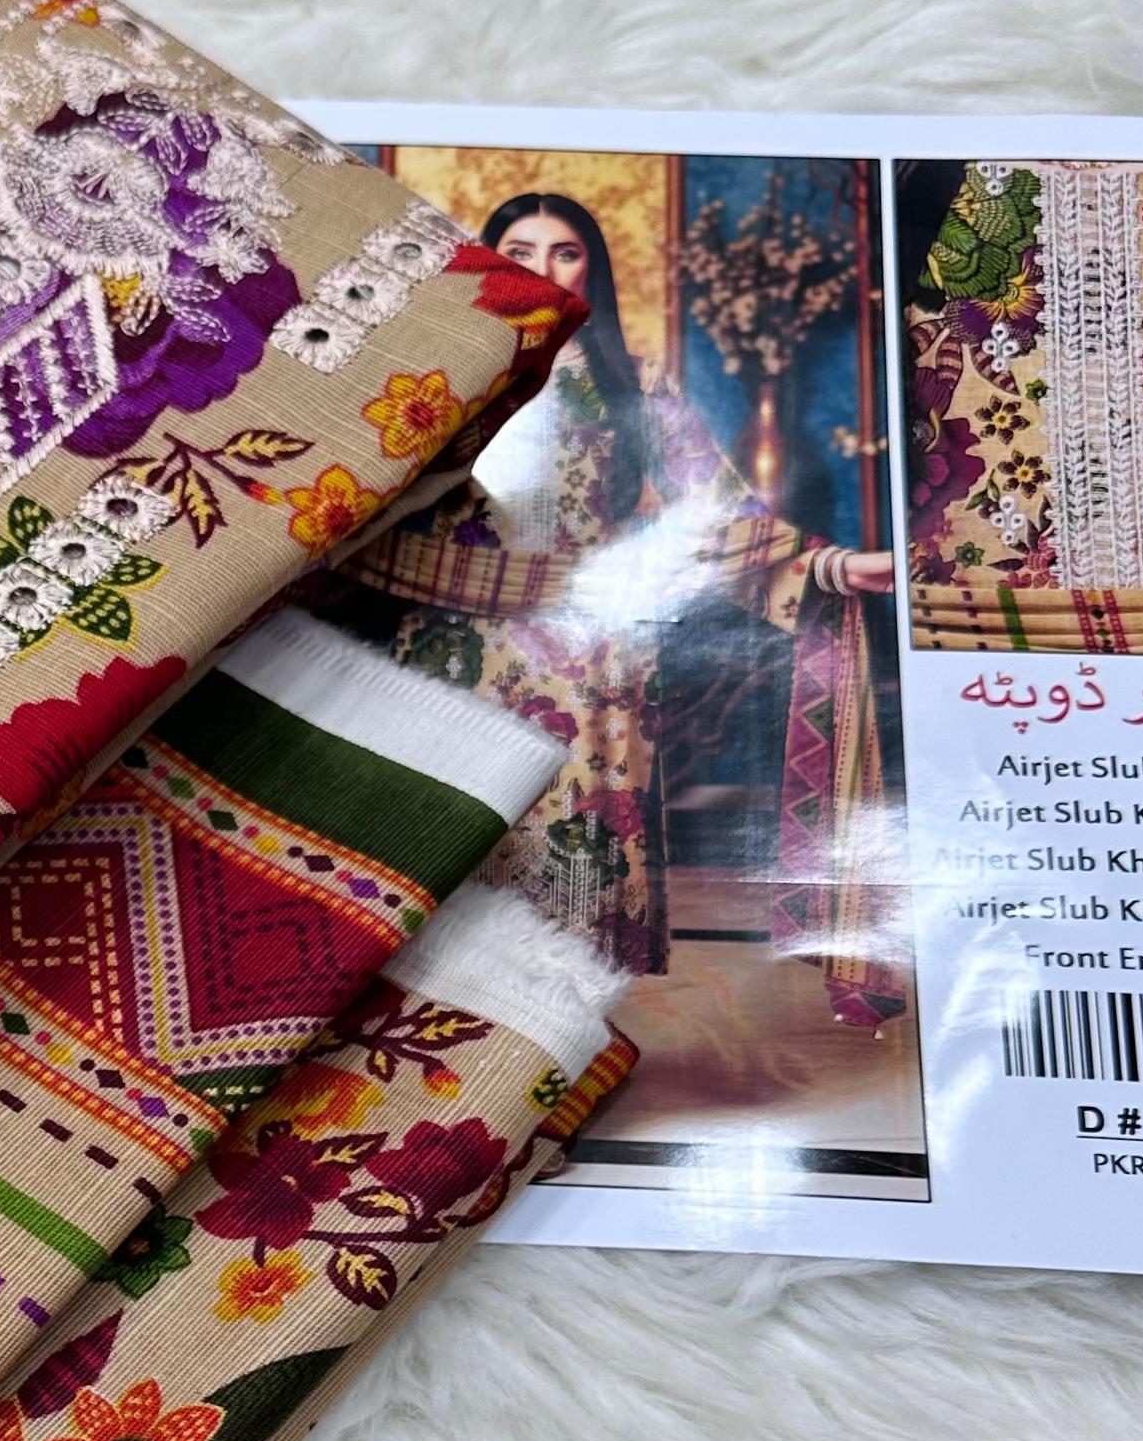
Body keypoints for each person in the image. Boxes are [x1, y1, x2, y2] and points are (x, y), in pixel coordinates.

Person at [315, 187, 901, 1024]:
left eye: (566, 253)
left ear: (593, 269)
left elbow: (716, 510)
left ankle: (546, 1047)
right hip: (451, 642)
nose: (545, 270)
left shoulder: (636, 378)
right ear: (488, 259)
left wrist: (832, 566)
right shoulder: (441, 369)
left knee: (572, 858)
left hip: (587, 661)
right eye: (521, 252)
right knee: (445, 849)